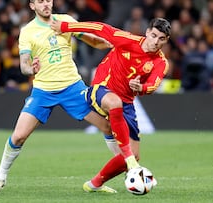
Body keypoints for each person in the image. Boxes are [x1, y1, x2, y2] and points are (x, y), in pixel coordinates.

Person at [0, 0, 140, 194]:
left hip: (73, 89)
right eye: (40, 1)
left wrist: (109, 44)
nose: (46, 4)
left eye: (48, 0)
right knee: (19, 136)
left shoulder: (65, 21)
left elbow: (91, 39)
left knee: (107, 125)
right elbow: (23, 64)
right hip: (43, 91)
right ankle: (0, 177)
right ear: (32, 6)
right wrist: (29, 69)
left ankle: (129, 170)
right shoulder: (28, 31)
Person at [51, 17, 171, 192]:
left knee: (134, 155)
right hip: (101, 89)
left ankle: (94, 184)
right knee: (115, 105)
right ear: (147, 32)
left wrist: (141, 87)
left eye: (161, 39)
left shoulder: (160, 62)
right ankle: (129, 158)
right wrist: (66, 26)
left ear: (166, 40)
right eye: (153, 35)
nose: (155, 42)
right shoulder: (128, 40)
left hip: (127, 104)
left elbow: (153, 84)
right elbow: (100, 28)